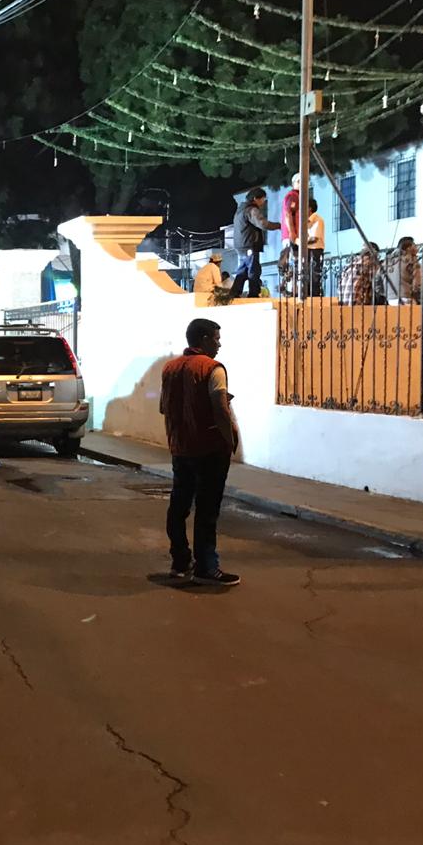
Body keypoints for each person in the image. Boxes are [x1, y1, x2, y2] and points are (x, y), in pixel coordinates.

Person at [159, 318, 240, 586]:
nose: (219, 343)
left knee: (179, 506)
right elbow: (219, 407)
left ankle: (180, 561)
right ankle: (207, 566)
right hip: (209, 449)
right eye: (216, 338)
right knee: (207, 510)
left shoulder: (169, 369)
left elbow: (163, 407)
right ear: (204, 340)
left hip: (180, 448)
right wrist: (229, 440)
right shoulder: (213, 368)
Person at [230, 187, 280, 299]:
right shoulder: (251, 210)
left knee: (243, 269)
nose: (263, 202)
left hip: (241, 245)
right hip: (249, 244)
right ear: (255, 198)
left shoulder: (240, 210)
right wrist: (278, 226)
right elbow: (263, 224)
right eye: (262, 199)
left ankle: (234, 292)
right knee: (254, 269)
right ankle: (253, 293)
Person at [305, 198, 326, 298]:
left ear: (309, 208)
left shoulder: (317, 220)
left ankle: (315, 296)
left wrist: (299, 242)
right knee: (307, 274)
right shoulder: (306, 221)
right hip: (308, 250)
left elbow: (314, 238)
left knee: (314, 275)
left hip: (315, 250)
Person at [396, 236, 421, 304]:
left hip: (391, 298)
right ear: (409, 248)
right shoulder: (412, 262)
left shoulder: (391, 262)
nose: (417, 248)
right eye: (414, 245)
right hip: (408, 297)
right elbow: (417, 283)